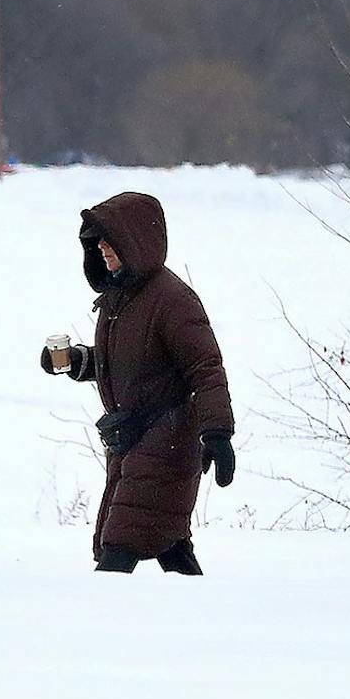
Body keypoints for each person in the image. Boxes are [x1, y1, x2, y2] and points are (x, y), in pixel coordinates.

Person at [41, 191, 235, 574]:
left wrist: (217, 433)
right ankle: (204, 617)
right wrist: (79, 362)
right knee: (167, 543)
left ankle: (98, 623)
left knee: (121, 543)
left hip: (168, 442)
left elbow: (207, 369)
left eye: (108, 239)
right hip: (133, 442)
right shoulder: (121, 298)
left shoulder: (173, 301)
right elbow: (130, 363)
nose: (101, 247)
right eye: (96, 241)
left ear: (134, 242)